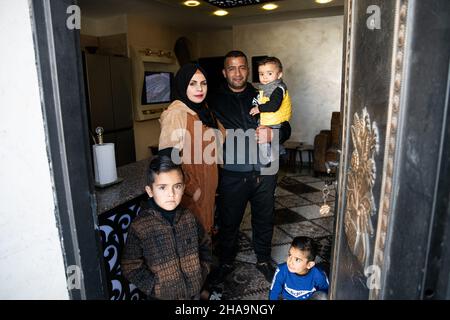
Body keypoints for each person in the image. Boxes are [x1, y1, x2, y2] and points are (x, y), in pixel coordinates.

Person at [207, 50, 292, 283]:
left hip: (265, 169)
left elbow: (285, 126)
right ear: (224, 72)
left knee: (264, 217)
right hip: (233, 172)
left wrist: (273, 135)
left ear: (248, 70)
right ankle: (225, 261)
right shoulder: (211, 99)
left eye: (242, 67)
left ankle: (263, 259)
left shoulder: (264, 92)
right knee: (229, 219)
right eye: (232, 68)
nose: (237, 72)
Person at [121, 156, 212, 300]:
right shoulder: (140, 226)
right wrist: (154, 287)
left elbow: (205, 244)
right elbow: (130, 265)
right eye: (162, 187)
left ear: (183, 188)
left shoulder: (189, 217)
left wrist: (202, 271)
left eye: (177, 186)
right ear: (150, 191)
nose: (171, 194)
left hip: (194, 292)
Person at [158, 63, 222, 234]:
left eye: (203, 83)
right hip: (190, 194)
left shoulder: (204, 110)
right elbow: (167, 159)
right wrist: (190, 188)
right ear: (182, 85)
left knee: (204, 238)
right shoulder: (177, 113)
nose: (199, 88)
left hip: (207, 191)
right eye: (192, 83)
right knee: (192, 243)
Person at [249, 57, 292, 161]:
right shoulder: (265, 88)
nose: (264, 77)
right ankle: (279, 153)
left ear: (279, 75)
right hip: (270, 120)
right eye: (261, 74)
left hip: (276, 121)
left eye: (269, 73)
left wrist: (258, 108)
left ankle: (270, 159)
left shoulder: (278, 88)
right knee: (268, 142)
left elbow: (274, 105)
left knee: (262, 141)